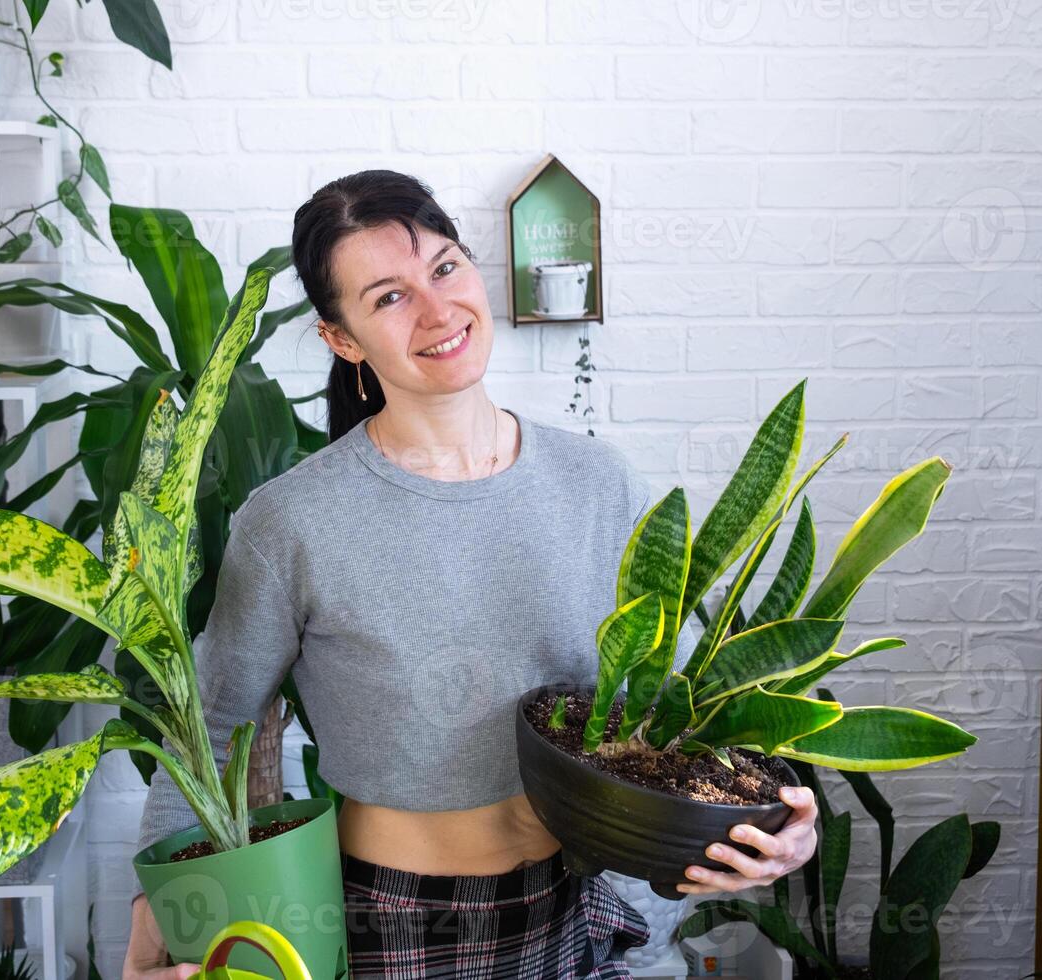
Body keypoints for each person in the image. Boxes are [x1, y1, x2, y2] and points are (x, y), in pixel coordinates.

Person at [122, 170, 818, 980]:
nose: (436, 310)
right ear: (340, 339)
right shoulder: (292, 521)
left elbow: (693, 703)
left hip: (586, 905)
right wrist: (154, 928)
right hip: (393, 921)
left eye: (445, 268)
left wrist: (777, 826)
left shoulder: (602, 484)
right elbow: (211, 721)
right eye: (387, 297)